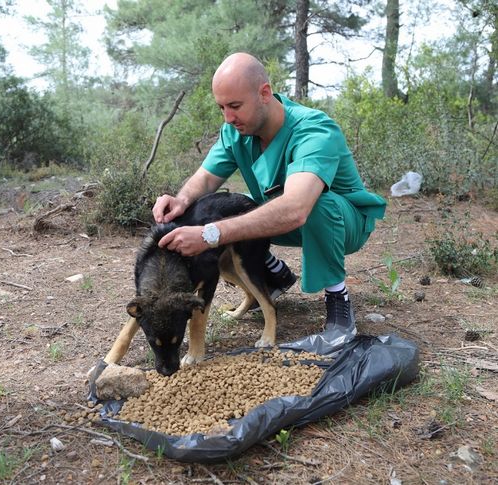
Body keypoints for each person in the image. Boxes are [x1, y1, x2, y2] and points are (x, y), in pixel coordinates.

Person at [152, 52, 387, 334]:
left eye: (235, 106)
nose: (228, 118)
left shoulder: (314, 130)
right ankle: (274, 274)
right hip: (286, 219)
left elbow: (296, 209)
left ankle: (338, 302)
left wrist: (209, 234)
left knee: (317, 205)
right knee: (232, 207)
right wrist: (181, 200)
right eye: (221, 108)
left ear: (264, 93)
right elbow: (204, 178)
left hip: (342, 223)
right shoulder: (236, 132)